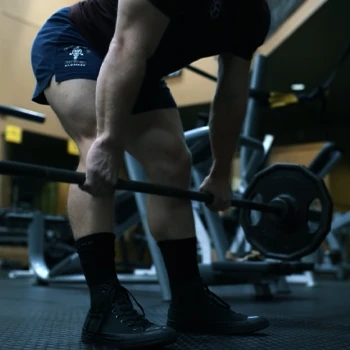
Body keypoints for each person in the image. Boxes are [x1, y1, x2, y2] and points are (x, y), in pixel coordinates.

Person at [31, 0, 271, 348]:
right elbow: (126, 44)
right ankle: (105, 309)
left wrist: (220, 171)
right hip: (79, 39)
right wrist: (110, 140)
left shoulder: (252, 12)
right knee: (96, 145)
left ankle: (189, 301)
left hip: (138, 63)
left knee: (173, 161)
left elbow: (232, 93)